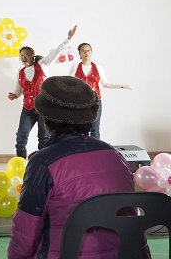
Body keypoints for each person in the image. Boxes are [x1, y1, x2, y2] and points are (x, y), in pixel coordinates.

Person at [8, 76, 150, 258]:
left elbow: (26, 232)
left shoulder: (43, 162)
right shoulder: (116, 157)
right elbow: (132, 221)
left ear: (45, 119)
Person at [8, 25, 77, 159]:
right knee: (21, 135)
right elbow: (19, 89)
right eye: (21, 55)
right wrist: (14, 95)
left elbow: (56, 52)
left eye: (26, 55)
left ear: (32, 55)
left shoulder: (43, 64)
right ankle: (21, 163)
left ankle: (44, 162)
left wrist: (68, 39)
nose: (23, 57)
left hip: (44, 107)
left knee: (44, 137)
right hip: (28, 108)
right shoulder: (20, 72)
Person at [69, 42, 131, 140]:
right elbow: (70, 84)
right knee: (82, 129)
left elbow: (105, 83)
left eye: (88, 50)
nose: (86, 53)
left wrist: (120, 86)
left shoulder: (98, 67)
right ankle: (82, 148)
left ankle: (96, 149)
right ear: (80, 53)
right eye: (83, 51)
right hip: (81, 103)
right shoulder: (75, 67)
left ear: (91, 52)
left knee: (95, 129)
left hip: (95, 102)